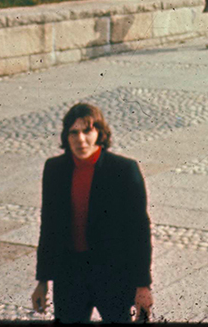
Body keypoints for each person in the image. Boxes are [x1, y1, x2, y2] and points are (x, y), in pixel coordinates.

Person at [32, 103, 153, 323]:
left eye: (87, 131)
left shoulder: (124, 170)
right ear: (66, 137)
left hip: (113, 276)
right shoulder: (54, 169)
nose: (81, 139)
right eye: (74, 132)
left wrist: (143, 285)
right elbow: (49, 226)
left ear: (100, 133)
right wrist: (42, 280)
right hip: (69, 277)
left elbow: (139, 231)